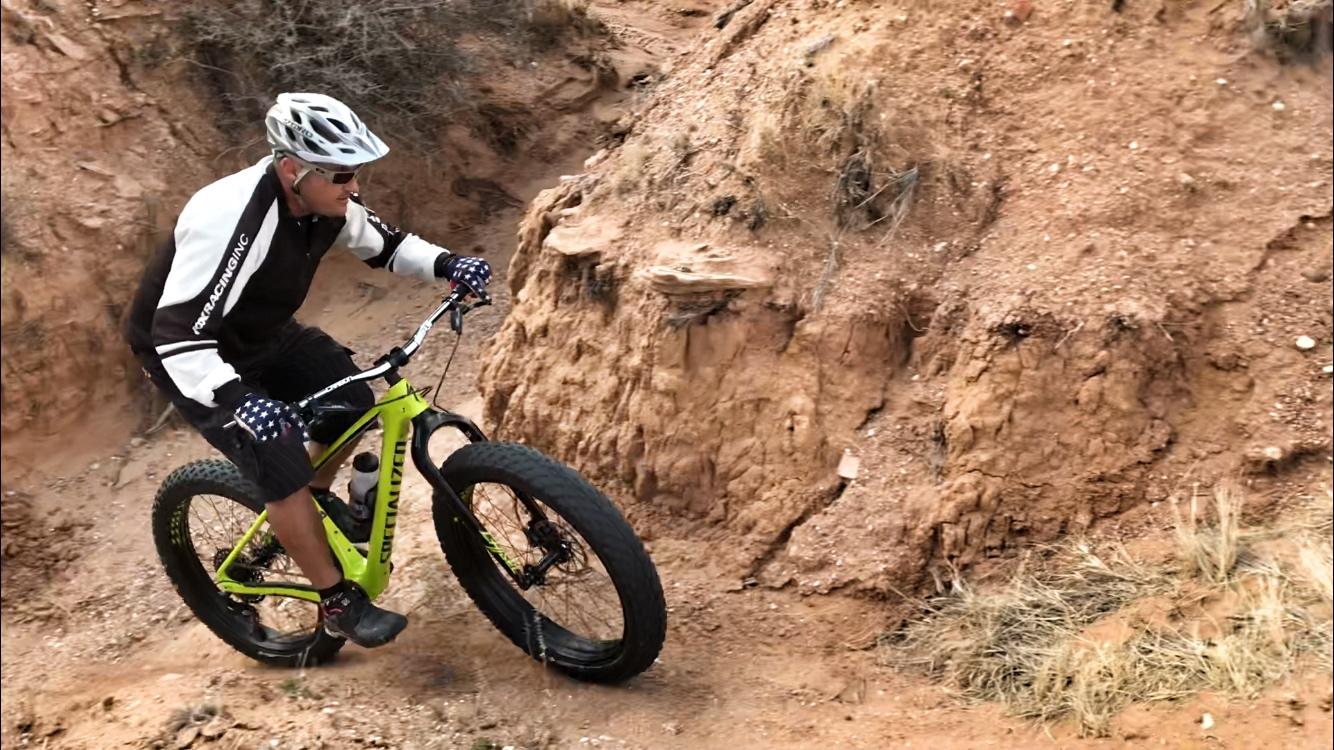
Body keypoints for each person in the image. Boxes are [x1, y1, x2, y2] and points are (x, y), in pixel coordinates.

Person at [124, 92, 492, 648]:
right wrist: (241, 401)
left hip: (263, 333)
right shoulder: (229, 220)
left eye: (356, 173)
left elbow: (385, 246)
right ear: (293, 169)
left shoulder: (326, 204)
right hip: (189, 351)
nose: (354, 188)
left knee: (352, 403)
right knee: (279, 458)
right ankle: (336, 600)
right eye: (342, 176)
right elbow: (177, 334)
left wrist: (447, 264)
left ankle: (311, 507)